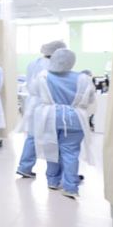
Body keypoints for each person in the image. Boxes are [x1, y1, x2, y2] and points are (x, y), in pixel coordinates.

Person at [31, 48, 95, 199]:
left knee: (51, 149)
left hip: (50, 118)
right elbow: (90, 99)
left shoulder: (43, 76)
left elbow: (35, 92)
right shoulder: (83, 78)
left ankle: (53, 181)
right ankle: (71, 187)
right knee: (71, 152)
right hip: (75, 119)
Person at [16, 40, 67, 178]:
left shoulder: (34, 63)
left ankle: (24, 167)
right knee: (52, 138)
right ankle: (54, 175)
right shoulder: (56, 65)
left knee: (32, 136)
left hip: (34, 103)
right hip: (48, 103)